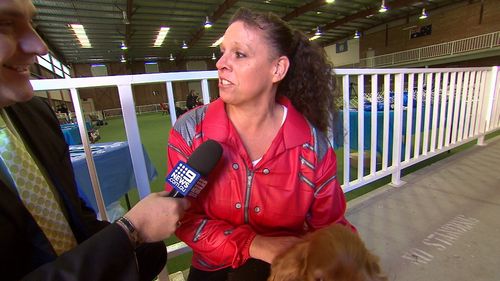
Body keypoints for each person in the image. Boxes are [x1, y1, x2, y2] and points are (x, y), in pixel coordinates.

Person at [0, 0, 189, 280]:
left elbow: (72, 214)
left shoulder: (33, 112)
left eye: (33, 24)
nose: (40, 47)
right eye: (5, 24)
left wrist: (130, 243)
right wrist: (129, 231)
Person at [165, 7, 354, 281]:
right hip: (212, 265)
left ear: (277, 69)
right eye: (223, 52)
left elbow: (330, 225)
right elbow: (182, 215)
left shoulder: (313, 146)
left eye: (239, 54)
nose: (220, 63)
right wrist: (254, 244)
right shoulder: (189, 130)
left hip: (283, 265)